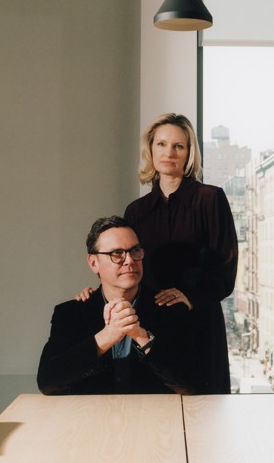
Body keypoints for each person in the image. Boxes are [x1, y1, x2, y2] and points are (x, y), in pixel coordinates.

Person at [78, 114, 238, 394]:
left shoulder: (210, 199)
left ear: (189, 153)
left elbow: (225, 269)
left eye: (179, 146)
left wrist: (190, 298)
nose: (169, 153)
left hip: (198, 321)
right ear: (150, 150)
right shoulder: (136, 210)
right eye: (162, 144)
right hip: (152, 324)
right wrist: (101, 289)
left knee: (205, 412)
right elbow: (125, 261)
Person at [37, 216, 195, 395]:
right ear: (93, 262)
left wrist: (142, 337)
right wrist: (108, 336)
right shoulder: (70, 313)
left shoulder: (171, 308)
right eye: (117, 253)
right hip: (90, 419)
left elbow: (191, 384)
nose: (129, 260)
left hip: (154, 418)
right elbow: (47, 382)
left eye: (135, 250)